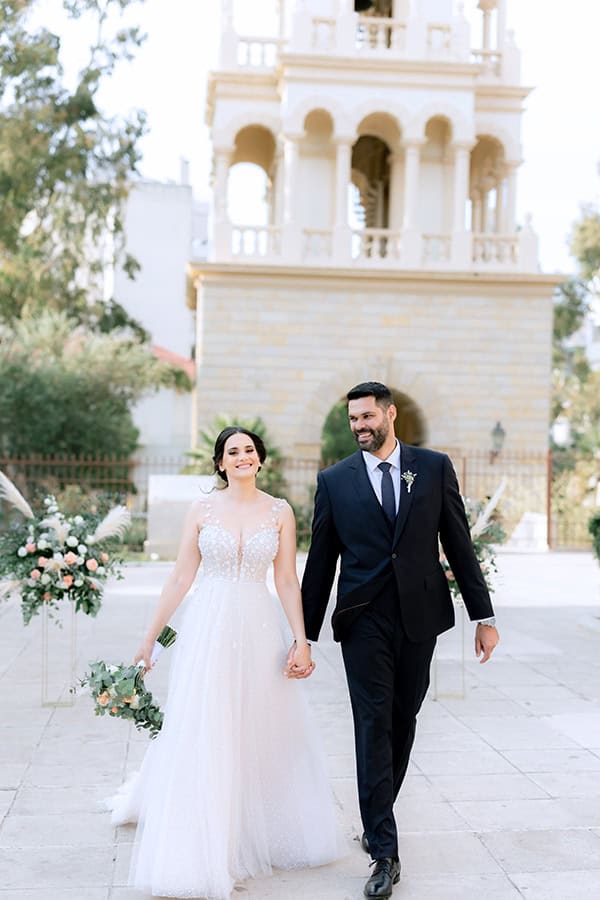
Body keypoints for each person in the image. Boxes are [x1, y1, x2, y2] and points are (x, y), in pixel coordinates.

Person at [108, 426, 344, 900]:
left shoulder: (280, 512)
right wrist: (149, 639)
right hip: (209, 629)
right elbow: (180, 577)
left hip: (258, 627)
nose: (242, 457)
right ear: (220, 462)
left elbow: (286, 581)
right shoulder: (202, 510)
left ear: (260, 460)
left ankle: (257, 827)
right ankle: (209, 838)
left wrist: (301, 641)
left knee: (259, 726)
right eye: (232, 451)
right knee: (207, 725)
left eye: (249, 450)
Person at [300, 382, 500, 900]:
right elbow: (321, 561)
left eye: (367, 417)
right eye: (353, 420)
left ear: (390, 415)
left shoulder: (432, 468)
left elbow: (458, 540)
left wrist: (484, 614)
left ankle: (376, 815)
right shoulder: (334, 481)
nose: (360, 426)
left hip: (419, 616)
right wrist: (301, 633)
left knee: (402, 719)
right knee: (371, 723)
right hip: (361, 620)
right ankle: (384, 851)